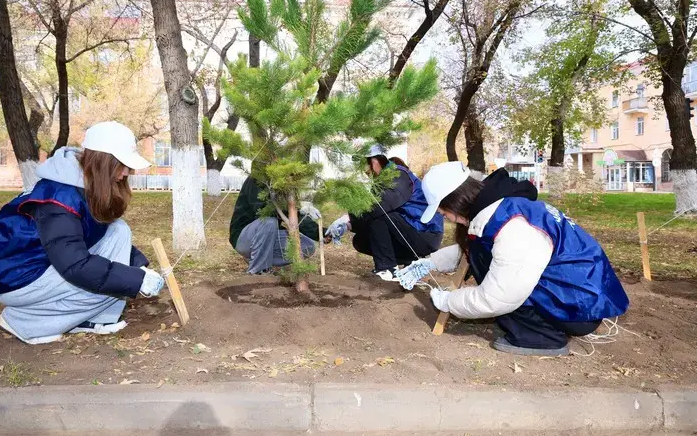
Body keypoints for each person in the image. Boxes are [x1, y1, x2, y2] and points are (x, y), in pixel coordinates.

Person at [397, 162, 630, 356]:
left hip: (580, 308)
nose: (444, 217)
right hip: (575, 293)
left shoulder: (515, 228)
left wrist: (450, 302)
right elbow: (481, 247)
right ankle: (533, 324)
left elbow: (500, 296)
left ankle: (541, 336)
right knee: (483, 256)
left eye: (443, 211)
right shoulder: (500, 206)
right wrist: (431, 261)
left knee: (498, 281)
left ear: (456, 201)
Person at [0, 121, 166, 345]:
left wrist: (140, 268)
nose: (126, 173)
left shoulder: (81, 183)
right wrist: (136, 280)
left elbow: (99, 236)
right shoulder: (60, 197)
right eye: (121, 165)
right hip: (18, 278)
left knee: (118, 230)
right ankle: (24, 322)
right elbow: (75, 266)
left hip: (42, 266)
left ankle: (91, 319)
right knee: (99, 279)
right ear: (102, 163)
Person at [325, 146, 444, 281]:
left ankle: (387, 268)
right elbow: (369, 213)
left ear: (374, 161)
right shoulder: (381, 181)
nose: (364, 172)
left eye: (364, 166)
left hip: (425, 233)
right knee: (361, 240)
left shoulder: (398, 175)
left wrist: (347, 217)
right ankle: (407, 260)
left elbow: (379, 207)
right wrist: (348, 226)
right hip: (408, 231)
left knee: (380, 215)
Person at [229, 176, 320, 274]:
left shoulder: (285, 183)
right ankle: (258, 270)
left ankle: (257, 258)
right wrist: (287, 208)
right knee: (269, 222)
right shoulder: (256, 179)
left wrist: (320, 232)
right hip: (244, 237)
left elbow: (294, 216)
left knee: (307, 246)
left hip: (268, 236)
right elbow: (261, 211)